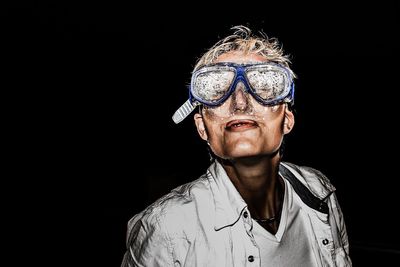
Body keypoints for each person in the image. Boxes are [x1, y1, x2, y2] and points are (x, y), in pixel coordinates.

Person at [121, 25, 351, 266]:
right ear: (202, 127)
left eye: (264, 85)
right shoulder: (166, 230)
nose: (240, 103)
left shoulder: (320, 193)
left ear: (287, 120)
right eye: (217, 89)